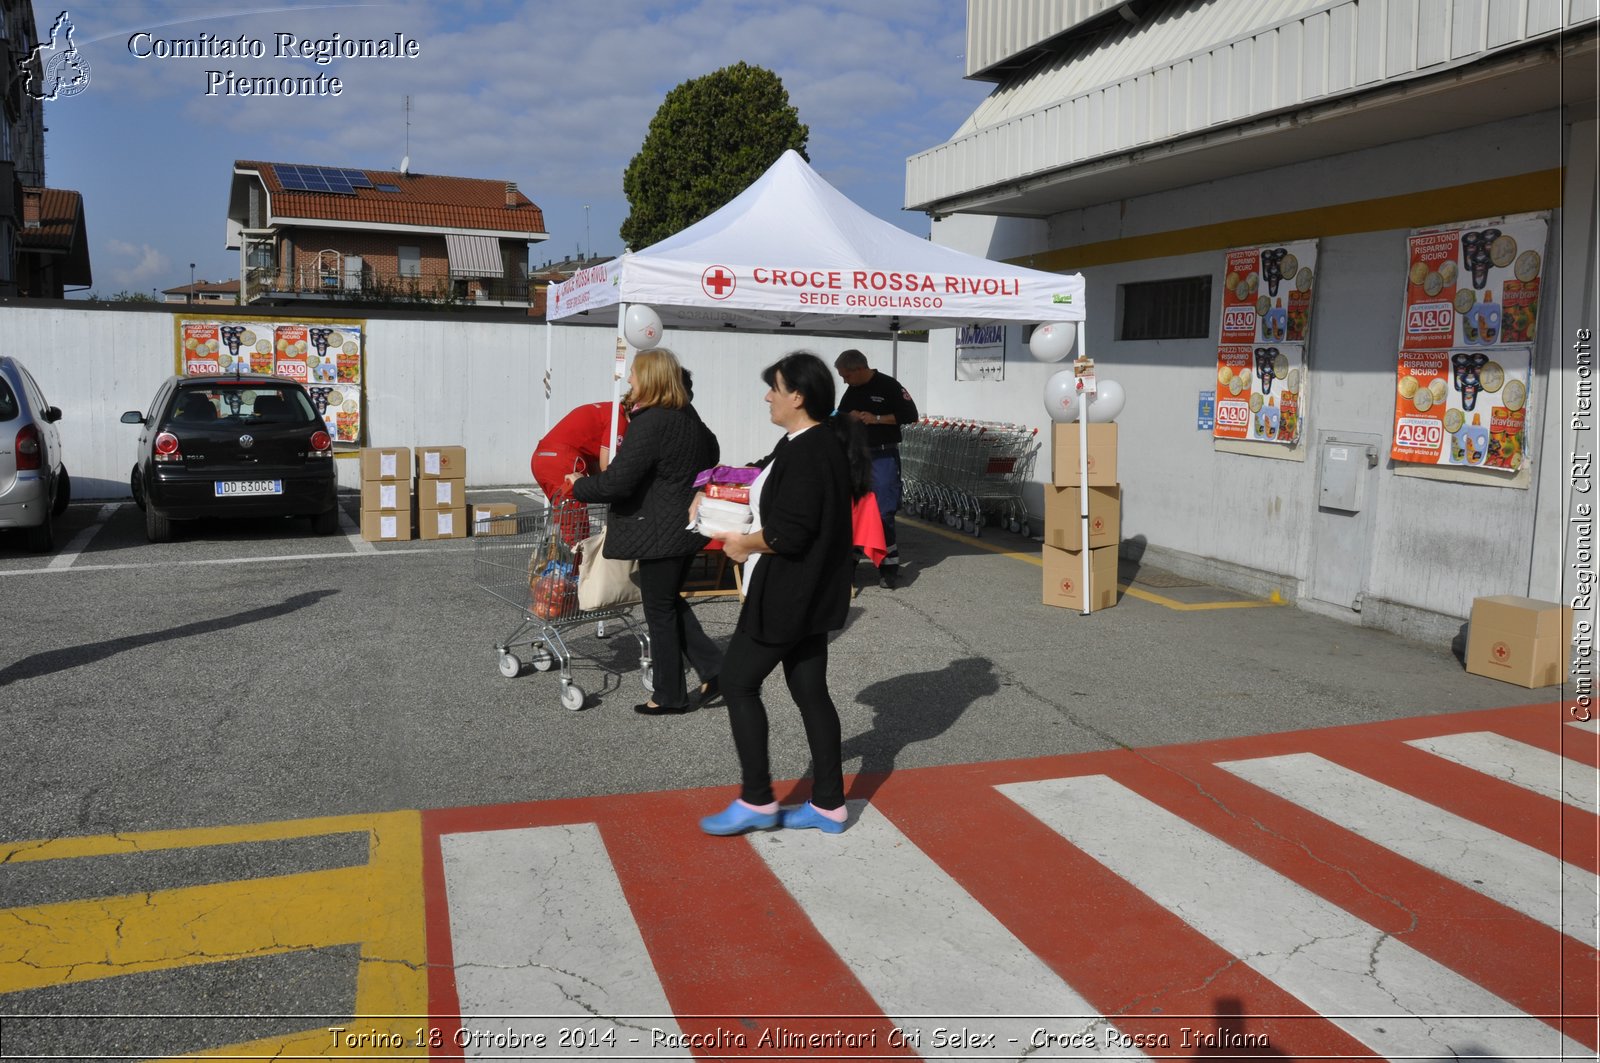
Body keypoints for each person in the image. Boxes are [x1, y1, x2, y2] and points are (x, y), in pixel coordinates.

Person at [698, 351, 872, 837]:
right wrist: (714, 487)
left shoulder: (810, 450)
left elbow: (789, 534)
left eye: (774, 388)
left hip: (789, 595)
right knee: (810, 692)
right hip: (813, 594)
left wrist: (742, 544)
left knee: (736, 682)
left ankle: (756, 801)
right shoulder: (807, 442)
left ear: (798, 396)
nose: (767, 397)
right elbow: (764, 476)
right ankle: (829, 806)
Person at [567, 349, 723, 716]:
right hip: (682, 527)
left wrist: (579, 485)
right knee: (668, 602)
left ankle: (670, 695)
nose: (630, 380)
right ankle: (717, 670)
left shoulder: (651, 422)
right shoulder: (687, 415)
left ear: (650, 378)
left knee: (660, 610)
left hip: (659, 531)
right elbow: (711, 451)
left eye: (635, 374)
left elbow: (616, 483)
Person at [834, 348, 918, 588]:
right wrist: (846, 417)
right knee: (853, 510)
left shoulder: (889, 386)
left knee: (883, 512)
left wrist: (877, 419)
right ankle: (850, 561)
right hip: (856, 456)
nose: (844, 381)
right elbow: (840, 415)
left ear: (859, 369)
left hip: (882, 455)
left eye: (846, 376)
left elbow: (910, 415)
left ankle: (888, 566)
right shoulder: (853, 390)